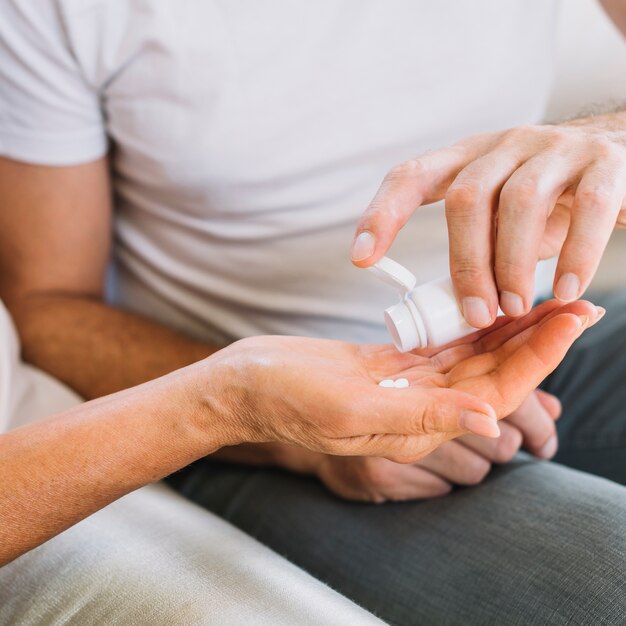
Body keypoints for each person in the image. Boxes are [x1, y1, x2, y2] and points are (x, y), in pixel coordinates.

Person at [0, 0, 625, 623]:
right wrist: (293, 436)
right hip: (264, 434)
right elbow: (48, 310)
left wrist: (611, 137)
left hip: (530, 329)